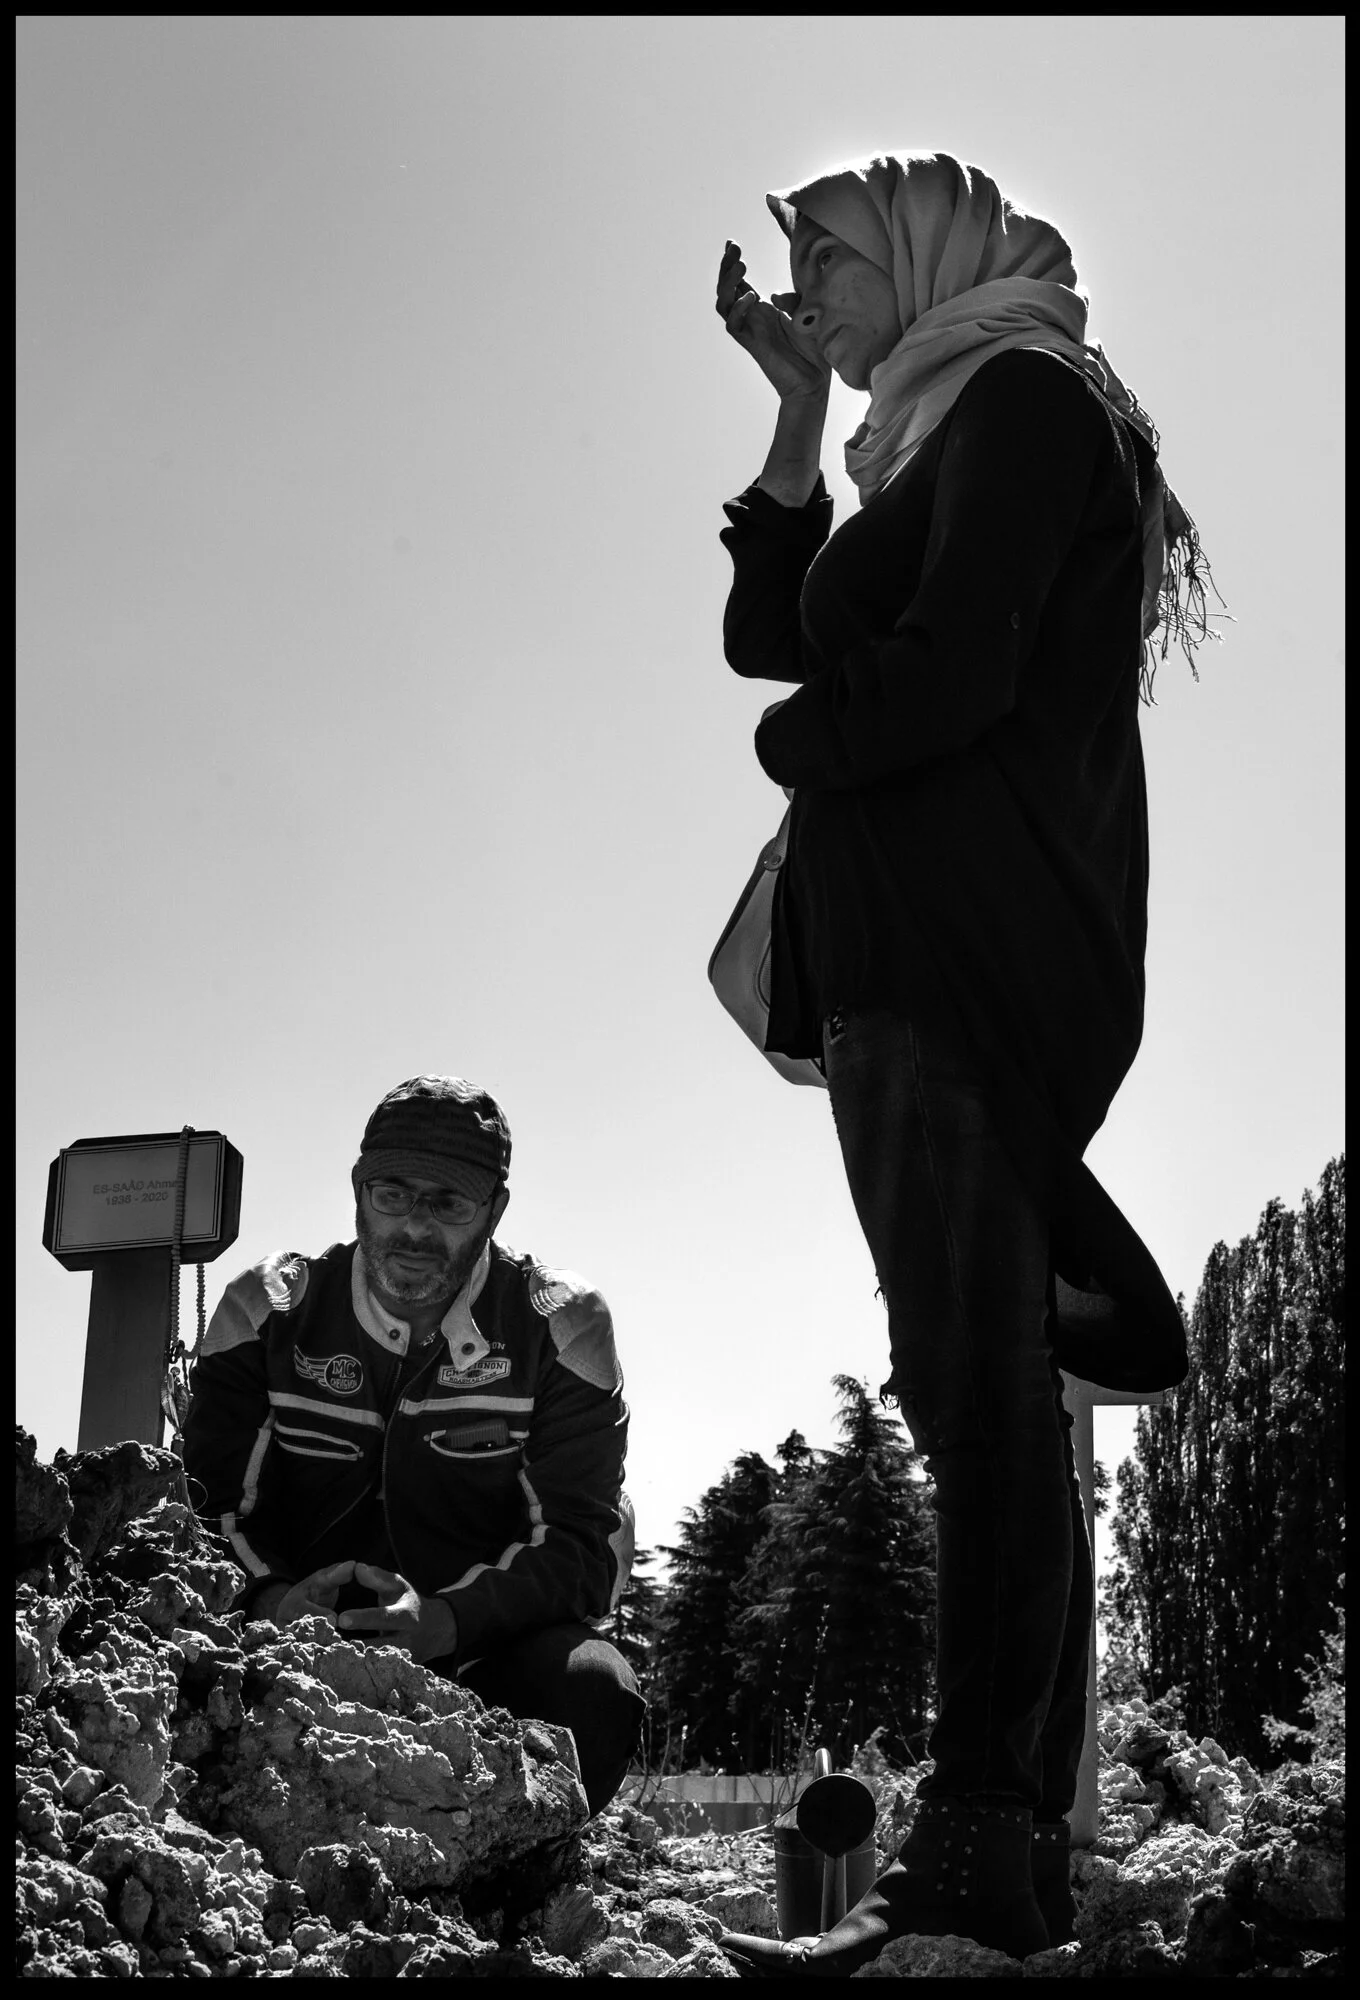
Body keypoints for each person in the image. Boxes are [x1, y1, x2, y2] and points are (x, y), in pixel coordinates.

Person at [710, 153, 1226, 1974]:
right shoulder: (916, 438)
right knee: (982, 1392)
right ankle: (1003, 1868)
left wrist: (795, 746)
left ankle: (983, 1841)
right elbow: (769, 622)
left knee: (981, 1405)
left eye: (827, 265)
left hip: (966, 950)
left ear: (923, 252)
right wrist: (790, 415)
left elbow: (946, 672)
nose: (812, 294)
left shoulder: (1022, 400)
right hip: (910, 956)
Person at [181, 1072, 645, 1817]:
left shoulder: (561, 1328)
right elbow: (203, 1513)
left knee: (593, 1686)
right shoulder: (263, 1312)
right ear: (358, 1190)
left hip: (478, 1655)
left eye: (449, 1203)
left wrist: (445, 1621)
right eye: (391, 1195)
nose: (415, 1230)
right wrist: (272, 1599)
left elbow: (580, 1548)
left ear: (494, 1210)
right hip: (283, 1650)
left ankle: (511, 1879)